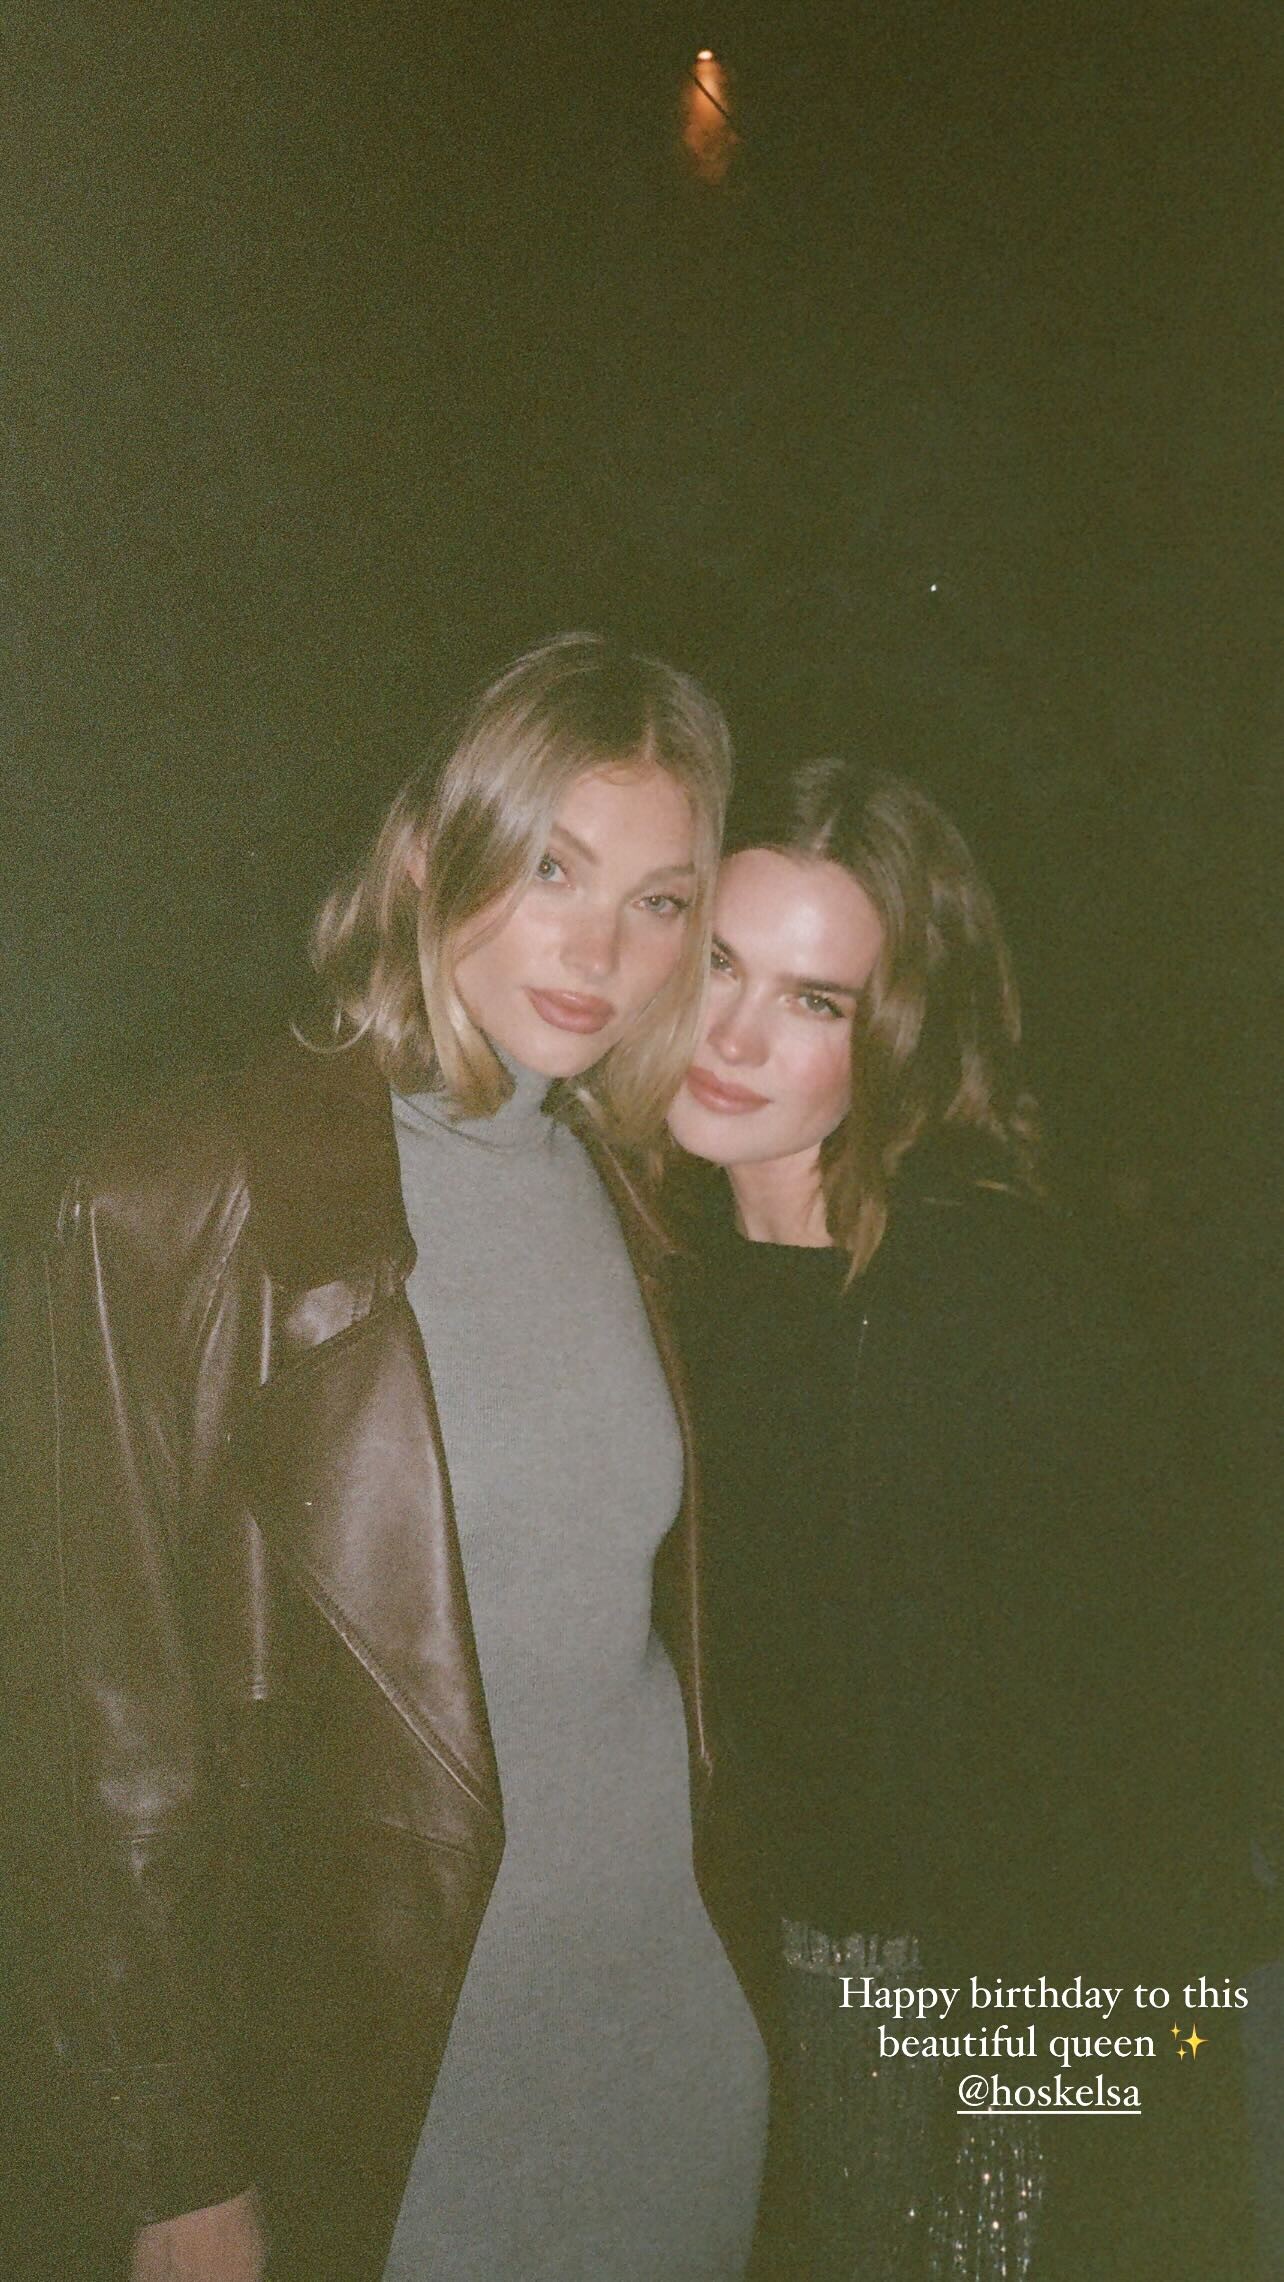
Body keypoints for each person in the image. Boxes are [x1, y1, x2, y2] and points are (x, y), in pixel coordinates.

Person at [0, 634, 767, 2282]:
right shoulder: (172, 1192)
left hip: (669, 2064)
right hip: (398, 2108)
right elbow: (100, 1747)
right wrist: (173, 2161)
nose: (601, 948)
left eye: (657, 900)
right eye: (551, 864)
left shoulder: (615, 1183)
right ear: (429, 849)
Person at [664, 758, 1257, 2281]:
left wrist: (1033, 2119)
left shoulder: (993, 1303)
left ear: (901, 1038)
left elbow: (1140, 1770)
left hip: (951, 2015)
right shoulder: (666, 1265)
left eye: (814, 1000)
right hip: (745, 1982)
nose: (733, 1035)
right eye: (717, 962)